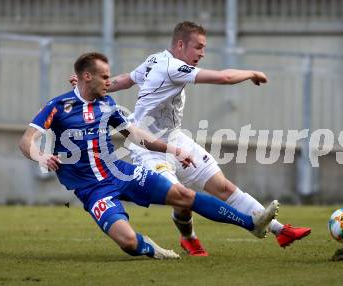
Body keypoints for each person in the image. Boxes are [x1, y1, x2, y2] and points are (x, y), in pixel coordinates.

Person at [71, 22, 311, 256]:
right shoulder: (172, 67)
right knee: (181, 199)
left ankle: (281, 230)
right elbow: (224, 78)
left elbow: (125, 80)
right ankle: (189, 238)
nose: (202, 53)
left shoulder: (156, 59)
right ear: (180, 44)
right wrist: (251, 73)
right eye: (198, 47)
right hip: (148, 148)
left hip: (176, 139)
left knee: (223, 187)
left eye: (203, 48)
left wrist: (91, 84)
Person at [20, 52, 280, 260]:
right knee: (128, 242)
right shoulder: (58, 106)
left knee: (184, 196)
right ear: (87, 76)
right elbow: (26, 142)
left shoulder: (108, 105)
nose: (109, 82)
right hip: (92, 188)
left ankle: (252, 224)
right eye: (104, 77)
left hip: (121, 172)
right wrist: (41, 157)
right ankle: (150, 249)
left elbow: (137, 135)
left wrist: (173, 149)